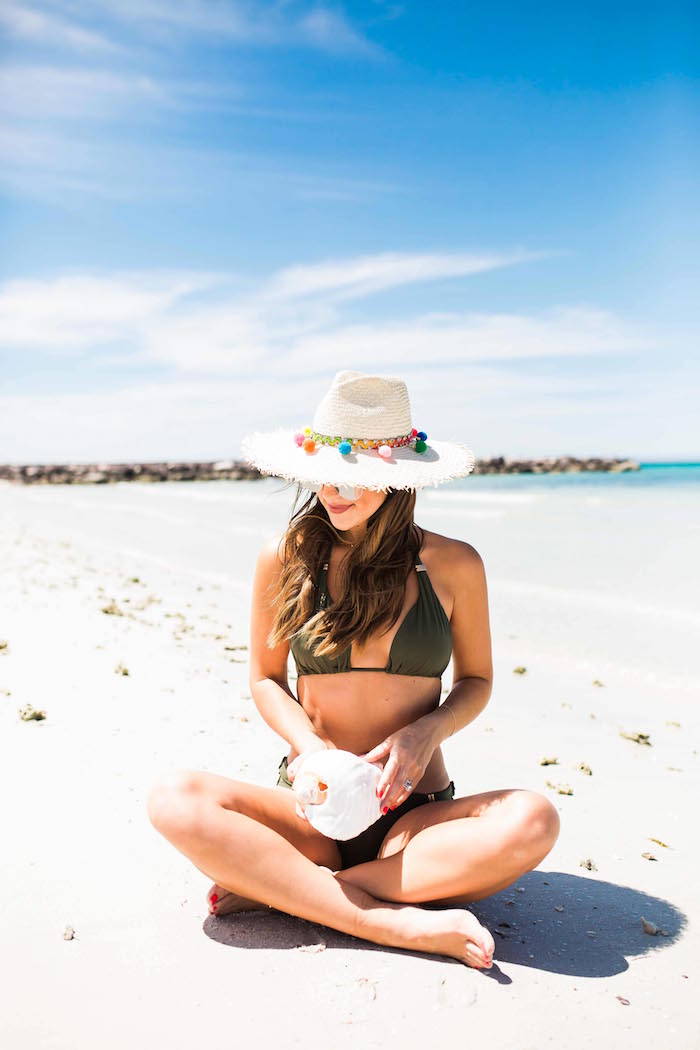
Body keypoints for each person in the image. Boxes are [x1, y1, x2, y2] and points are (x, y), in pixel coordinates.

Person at [147, 370, 560, 970]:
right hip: (310, 807)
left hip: (412, 818)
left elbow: (477, 682)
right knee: (174, 799)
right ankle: (386, 921)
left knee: (535, 819)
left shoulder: (454, 565)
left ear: (398, 480)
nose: (333, 491)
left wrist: (425, 733)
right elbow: (266, 679)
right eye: (323, 473)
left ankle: (291, 888)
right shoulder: (285, 557)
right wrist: (308, 748)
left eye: (355, 477)